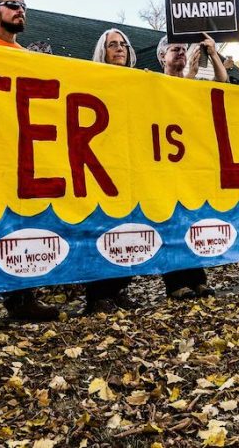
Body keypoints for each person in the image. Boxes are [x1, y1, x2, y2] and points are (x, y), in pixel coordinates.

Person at [0, 0, 60, 323]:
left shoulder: (25, 55)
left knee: (23, 224)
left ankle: (22, 299)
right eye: (12, 5)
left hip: (20, 151)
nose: (20, 11)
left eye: (23, 6)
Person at [156, 35, 221, 299]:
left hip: (191, 164)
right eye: (175, 49)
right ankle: (175, 284)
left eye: (184, 49)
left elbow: (222, 84)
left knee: (193, 221)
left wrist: (212, 54)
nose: (181, 53)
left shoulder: (195, 81)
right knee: (171, 223)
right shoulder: (153, 82)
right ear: (162, 56)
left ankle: (198, 279)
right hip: (163, 164)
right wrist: (189, 78)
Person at [82, 29, 140, 314]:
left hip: (130, 166)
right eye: (112, 45)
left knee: (128, 229)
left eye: (123, 45)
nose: (119, 49)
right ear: (102, 51)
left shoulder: (140, 83)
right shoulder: (92, 80)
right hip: (100, 167)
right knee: (102, 231)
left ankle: (119, 289)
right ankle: (97, 296)